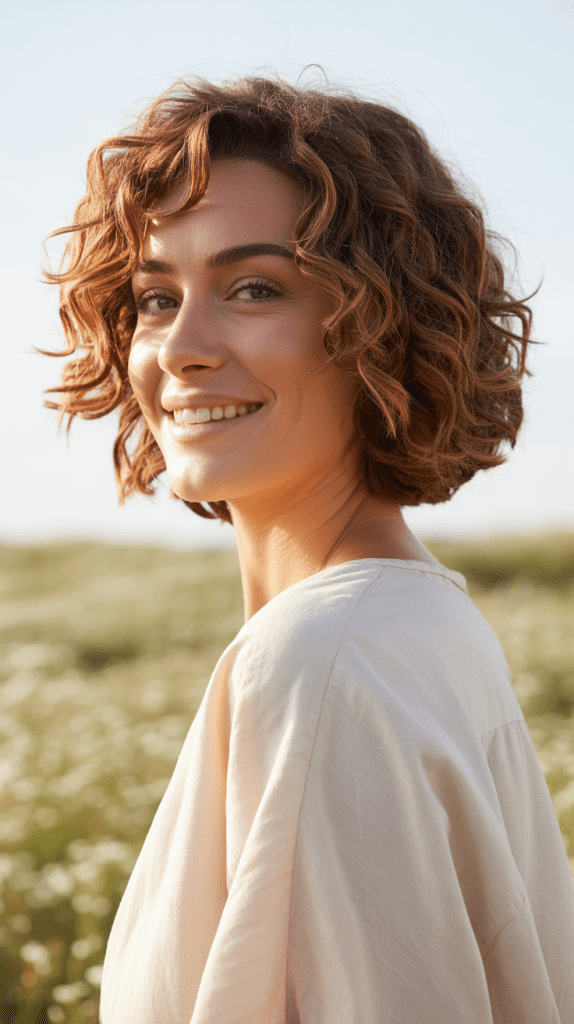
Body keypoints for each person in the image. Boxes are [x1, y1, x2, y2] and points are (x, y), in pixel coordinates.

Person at [43, 75, 574, 1023]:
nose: (182, 348)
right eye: (156, 297)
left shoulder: (323, 664)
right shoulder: (417, 623)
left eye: (255, 288)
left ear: (381, 327)